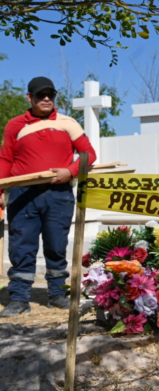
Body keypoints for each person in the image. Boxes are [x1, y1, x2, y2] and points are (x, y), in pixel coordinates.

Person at [0, 77, 97, 317]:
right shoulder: (15, 125)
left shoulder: (68, 123)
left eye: (50, 95)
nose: (46, 99)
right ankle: (20, 298)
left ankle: (57, 295)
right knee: (21, 246)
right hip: (22, 194)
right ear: (29, 98)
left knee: (56, 246)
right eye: (40, 95)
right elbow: (5, 160)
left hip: (59, 195)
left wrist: (70, 171)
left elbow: (89, 154)